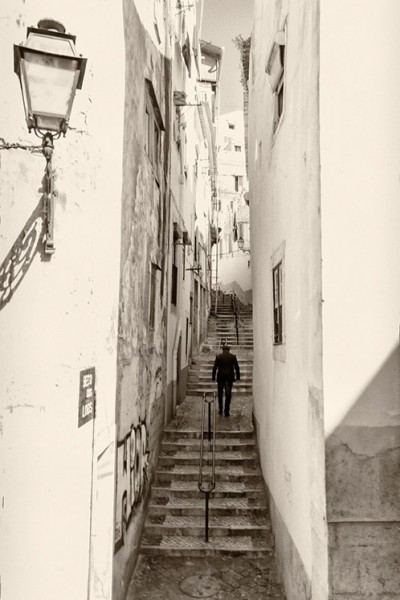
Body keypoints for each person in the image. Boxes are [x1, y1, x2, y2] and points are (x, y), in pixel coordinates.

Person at [212, 344, 240, 416]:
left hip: (220, 377)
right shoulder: (233, 357)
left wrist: (213, 377)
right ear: (229, 349)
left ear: (222, 349)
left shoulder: (218, 357)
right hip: (229, 378)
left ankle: (220, 409)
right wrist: (238, 377)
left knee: (220, 394)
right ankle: (227, 411)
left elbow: (215, 367)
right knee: (228, 394)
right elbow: (237, 367)